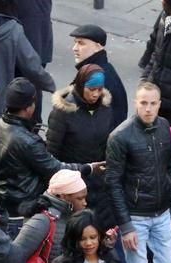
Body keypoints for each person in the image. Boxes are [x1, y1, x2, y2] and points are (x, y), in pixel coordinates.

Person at [107, 82, 171, 263]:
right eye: (143, 103)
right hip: (135, 216)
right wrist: (126, 225)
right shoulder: (120, 136)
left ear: (159, 105)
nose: (148, 109)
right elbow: (113, 183)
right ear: (135, 103)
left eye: (152, 103)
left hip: (160, 213)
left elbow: (169, 168)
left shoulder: (163, 127)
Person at [0, 78, 98, 220]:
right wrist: (89, 168)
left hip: (1, 202)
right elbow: (56, 169)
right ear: (29, 107)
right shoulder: (28, 142)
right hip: (26, 209)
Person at [47, 65, 118, 227]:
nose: (95, 94)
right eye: (91, 89)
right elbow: (51, 153)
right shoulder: (63, 112)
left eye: (99, 89)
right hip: (73, 182)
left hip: (99, 183)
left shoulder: (105, 109)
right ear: (80, 85)